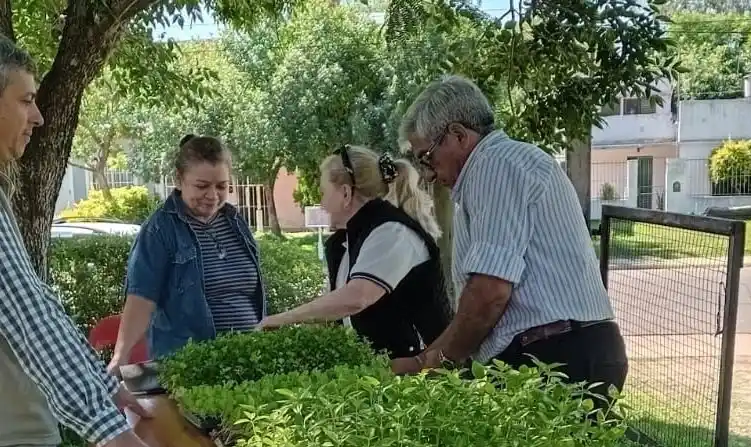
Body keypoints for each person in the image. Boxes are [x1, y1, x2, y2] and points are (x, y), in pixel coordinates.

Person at [0, 37, 185, 447]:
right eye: (26, 99)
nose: (39, 116)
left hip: (17, 434)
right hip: (7, 444)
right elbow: (28, 320)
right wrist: (111, 427)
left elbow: (36, 308)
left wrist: (106, 388)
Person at [391, 75, 628, 401]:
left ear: (458, 135)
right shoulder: (499, 166)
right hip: (560, 352)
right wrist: (430, 359)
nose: (428, 173)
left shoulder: (493, 165)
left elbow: (489, 293)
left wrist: (429, 364)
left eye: (426, 157)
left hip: (555, 356)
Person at [260, 145, 452, 359]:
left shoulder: (392, 233)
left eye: (323, 193)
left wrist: (283, 319)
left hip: (426, 371)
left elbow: (357, 297)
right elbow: (340, 311)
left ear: (345, 193)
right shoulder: (349, 240)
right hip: (385, 371)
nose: (321, 204)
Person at [107, 135, 266, 373]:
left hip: (248, 362)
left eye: (221, 186)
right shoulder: (159, 230)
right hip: (190, 368)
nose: (212, 195)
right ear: (179, 180)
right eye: (202, 186)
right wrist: (120, 359)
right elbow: (141, 300)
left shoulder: (236, 222)